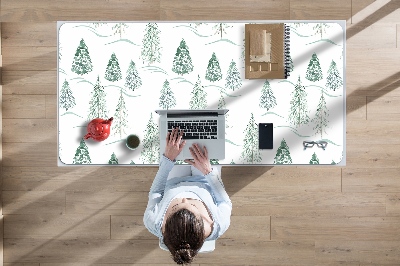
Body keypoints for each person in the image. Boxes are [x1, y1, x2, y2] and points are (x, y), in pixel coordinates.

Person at [144, 127, 232, 264]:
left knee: (173, 144)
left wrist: (168, 159)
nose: (184, 198)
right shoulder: (220, 224)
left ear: (165, 224)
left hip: (173, 181)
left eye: (176, 206)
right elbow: (224, 202)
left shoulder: (153, 222)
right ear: (204, 222)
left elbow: (156, 192)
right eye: (192, 205)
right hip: (205, 180)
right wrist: (208, 171)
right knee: (206, 142)